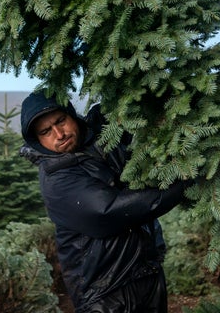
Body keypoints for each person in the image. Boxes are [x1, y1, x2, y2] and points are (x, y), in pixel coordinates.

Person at [20, 90, 192, 313]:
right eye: (46, 131)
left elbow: (124, 108)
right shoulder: (57, 181)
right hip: (104, 295)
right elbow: (110, 211)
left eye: (60, 121)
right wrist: (184, 181)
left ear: (72, 115)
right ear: (38, 140)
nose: (59, 134)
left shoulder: (98, 139)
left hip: (146, 275)